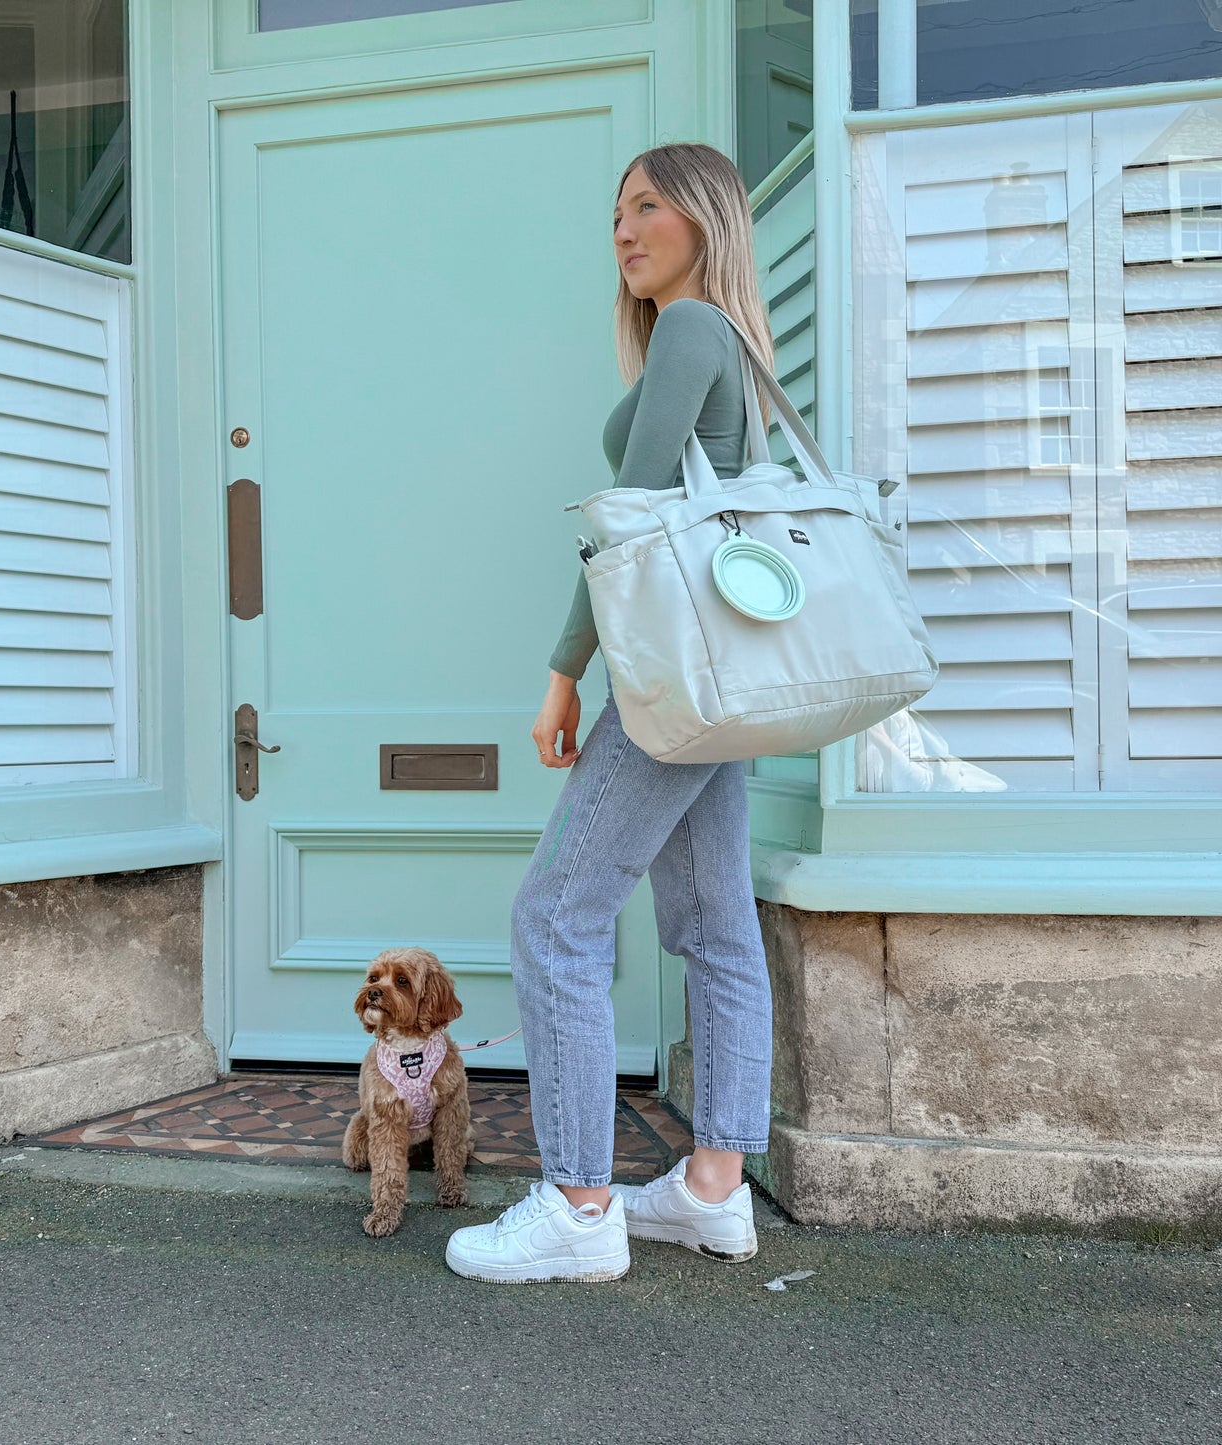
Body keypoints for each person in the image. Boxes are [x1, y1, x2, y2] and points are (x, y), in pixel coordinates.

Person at [445, 143, 776, 1285]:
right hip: (720, 675)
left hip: (669, 675)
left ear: (705, 218)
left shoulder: (692, 329)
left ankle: (580, 1200)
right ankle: (710, 1191)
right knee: (716, 924)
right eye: (616, 211)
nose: (624, 229)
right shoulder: (728, 341)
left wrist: (561, 669)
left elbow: (627, 522)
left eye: (647, 206)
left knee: (556, 917)